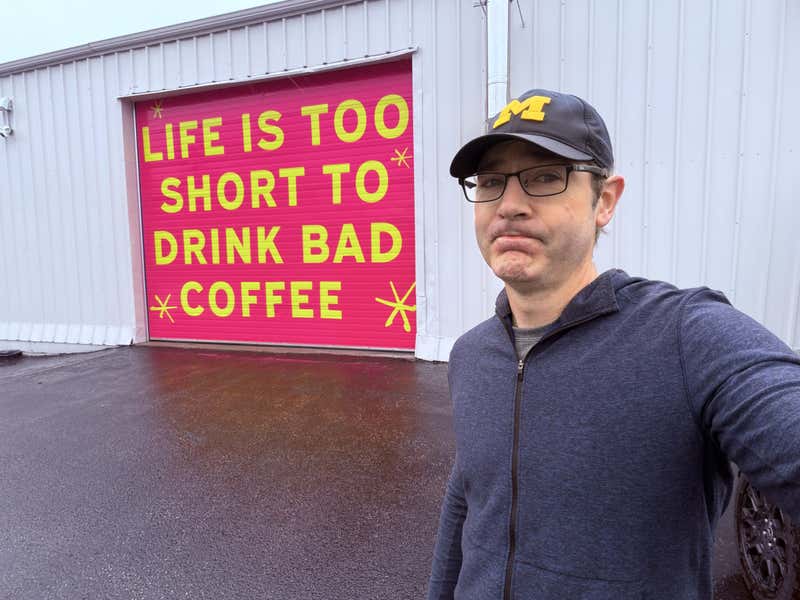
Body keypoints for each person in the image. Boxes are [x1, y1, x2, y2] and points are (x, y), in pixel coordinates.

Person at [427, 88, 800, 600]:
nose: (509, 206)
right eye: (491, 182)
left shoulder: (687, 337)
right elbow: (467, 500)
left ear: (604, 200)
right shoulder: (471, 355)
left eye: (544, 176)